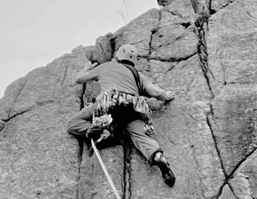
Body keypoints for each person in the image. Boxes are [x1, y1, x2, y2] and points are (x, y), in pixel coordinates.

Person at [68, 44, 177, 187]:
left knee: (74, 123)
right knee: (140, 135)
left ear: (118, 57)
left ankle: (103, 131)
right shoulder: (139, 76)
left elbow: (79, 79)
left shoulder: (106, 66)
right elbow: (156, 93)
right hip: (133, 106)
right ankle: (157, 156)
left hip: (111, 102)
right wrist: (167, 95)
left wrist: (86, 68)